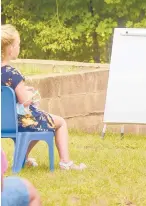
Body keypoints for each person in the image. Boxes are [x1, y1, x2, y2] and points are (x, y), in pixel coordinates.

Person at [1, 24, 86, 170]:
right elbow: (25, 101)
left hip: (3, 122)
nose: (19, 47)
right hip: (20, 121)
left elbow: (6, 93)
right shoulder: (12, 73)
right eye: (18, 45)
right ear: (10, 49)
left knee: (39, 124)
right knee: (59, 123)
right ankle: (66, 162)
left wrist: (22, 89)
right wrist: (32, 95)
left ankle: (22, 158)